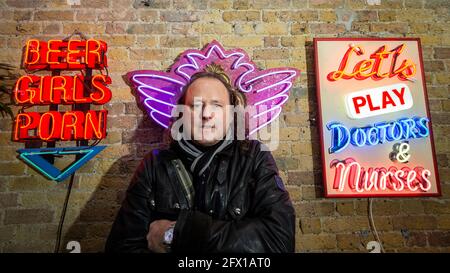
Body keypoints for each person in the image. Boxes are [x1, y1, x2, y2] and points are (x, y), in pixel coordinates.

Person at [105, 64, 295, 253]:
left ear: (231, 114)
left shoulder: (254, 157)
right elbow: (122, 247)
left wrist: (179, 232)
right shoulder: (155, 164)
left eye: (217, 105)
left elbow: (279, 241)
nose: (206, 114)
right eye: (196, 105)